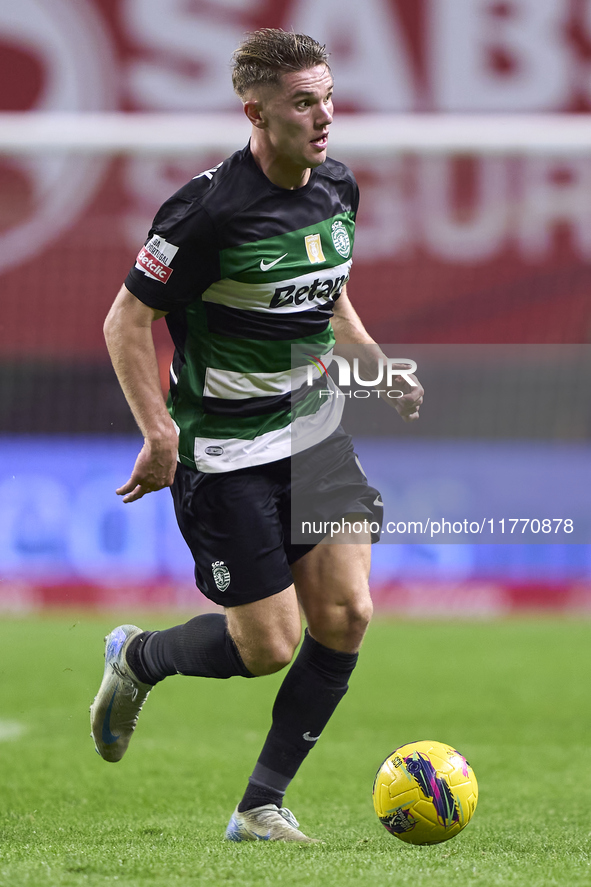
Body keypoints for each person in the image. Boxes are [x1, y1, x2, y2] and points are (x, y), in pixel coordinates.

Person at [90, 28, 423, 843]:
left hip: (311, 434)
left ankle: (259, 805)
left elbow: (327, 296)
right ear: (257, 112)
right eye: (304, 102)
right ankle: (139, 659)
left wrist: (374, 367)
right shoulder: (207, 211)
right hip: (225, 451)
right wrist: (158, 430)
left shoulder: (336, 186)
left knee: (345, 615)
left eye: (329, 98)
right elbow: (127, 319)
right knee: (268, 644)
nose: (325, 117)